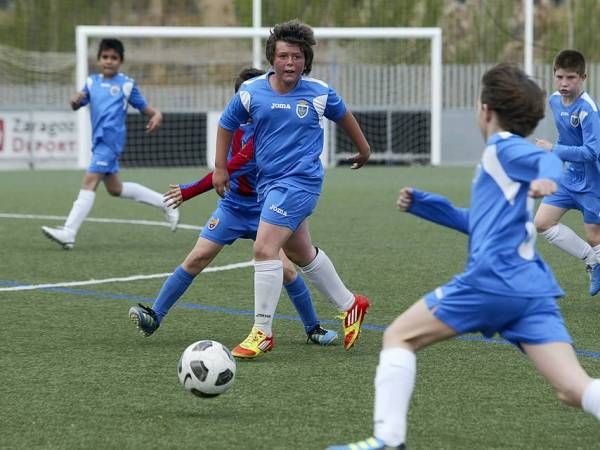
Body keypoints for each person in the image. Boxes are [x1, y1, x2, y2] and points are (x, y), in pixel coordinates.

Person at [328, 64, 600, 450]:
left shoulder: (502, 148)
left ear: (485, 109)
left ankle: (388, 439)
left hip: (492, 281)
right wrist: (428, 206)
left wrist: (547, 176)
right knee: (574, 389)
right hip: (530, 290)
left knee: (398, 336)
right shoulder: (502, 160)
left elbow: (549, 162)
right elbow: (480, 222)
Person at [128, 68, 337, 347]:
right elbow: (222, 163)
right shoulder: (233, 126)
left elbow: (234, 166)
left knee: (287, 271)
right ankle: (155, 315)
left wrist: (189, 191)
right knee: (196, 258)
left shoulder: (265, 132)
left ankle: (313, 328)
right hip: (233, 207)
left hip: (268, 208)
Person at [214, 19, 372, 359]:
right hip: (268, 183)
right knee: (301, 253)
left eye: (297, 57)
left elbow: (345, 116)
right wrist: (219, 168)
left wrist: (364, 149)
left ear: (306, 60)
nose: (290, 63)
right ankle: (351, 304)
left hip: (300, 182)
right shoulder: (252, 92)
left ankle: (262, 332)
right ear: (273, 58)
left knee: (263, 248)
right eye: (284, 56)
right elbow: (226, 125)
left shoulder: (318, 93)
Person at [41, 38, 179, 250]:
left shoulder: (126, 84)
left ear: (120, 61)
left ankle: (69, 232)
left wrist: (157, 115)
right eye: (105, 57)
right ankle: (165, 202)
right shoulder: (91, 82)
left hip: (110, 141)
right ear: (98, 60)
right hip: (98, 142)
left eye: (114, 58)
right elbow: (77, 104)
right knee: (116, 189)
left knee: (89, 181)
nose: (109, 61)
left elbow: (146, 109)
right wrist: (74, 100)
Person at [534, 49, 600, 295]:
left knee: (595, 238)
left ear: (583, 77)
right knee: (542, 223)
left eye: (571, 78)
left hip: (593, 181)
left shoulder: (588, 110)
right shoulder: (553, 100)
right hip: (568, 178)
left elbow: (592, 152)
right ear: (554, 75)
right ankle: (592, 262)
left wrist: (554, 149)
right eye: (560, 77)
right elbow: (565, 135)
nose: (564, 83)